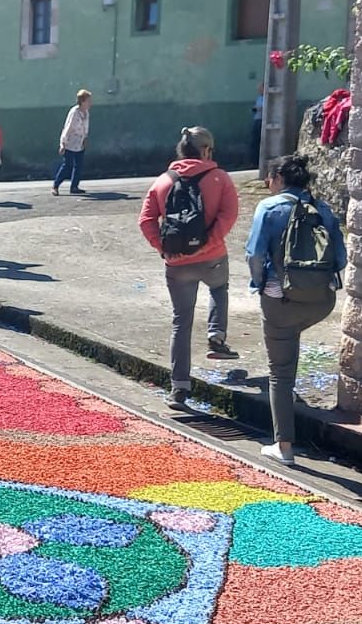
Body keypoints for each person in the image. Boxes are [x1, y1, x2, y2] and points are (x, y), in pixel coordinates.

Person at [244, 154, 347, 464]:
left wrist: (260, 283)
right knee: (292, 339)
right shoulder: (324, 210)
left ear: (279, 179)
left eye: (270, 178)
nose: (267, 183)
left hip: (281, 302)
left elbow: (255, 254)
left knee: (280, 374)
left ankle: (284, 447)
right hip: (321, 303)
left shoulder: (269, 207)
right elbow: (340, 259)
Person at [139, 127, 241, 412]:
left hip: (176, 264)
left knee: (180, 322)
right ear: (207, 150)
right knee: (219, 288)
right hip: (213, 259)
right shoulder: (220, 179)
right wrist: (208, 243)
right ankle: (216, 335)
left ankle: (179, 389)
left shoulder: (162, 181)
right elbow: (229, 215)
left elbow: (146, 220)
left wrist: (162, 247)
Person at [54, 89, 92, 196]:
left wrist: (85, 138)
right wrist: (63, 144)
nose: (90, 103)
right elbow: (68, 128)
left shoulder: (86, 113)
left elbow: (86, 127)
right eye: (89, 101)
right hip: (70, 142)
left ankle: (74, 186)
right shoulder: (74, 112)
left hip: (80, 142)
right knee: (67, 165)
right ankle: (55, 185)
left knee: (78, 165)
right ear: (83, 101)